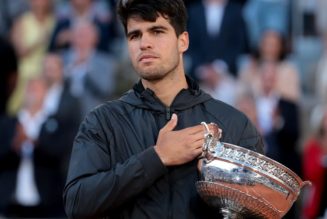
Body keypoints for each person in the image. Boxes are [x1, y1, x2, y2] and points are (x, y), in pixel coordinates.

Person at [63, 0, 264, 218]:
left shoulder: (234, 123)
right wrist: (158, 157)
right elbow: (77, 204)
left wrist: (219, 183)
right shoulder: (102, 122)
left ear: (183, 41)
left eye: (157, 31)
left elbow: (264, 208)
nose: (144, 43)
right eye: (135, 35)